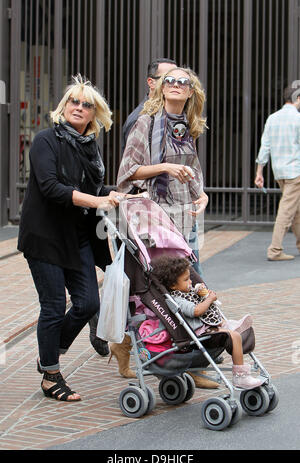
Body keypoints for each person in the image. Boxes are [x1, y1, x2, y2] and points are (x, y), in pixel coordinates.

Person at [17, 74, 127, 402]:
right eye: (73, 102)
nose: (78, 107)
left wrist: (123, 195)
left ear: (95, 114)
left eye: (86, 104)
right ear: (63, 108)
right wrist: (97, 201)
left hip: (77, 237)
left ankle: (49, 352)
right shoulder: (45, 141)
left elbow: (94, 191)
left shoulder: (89, 148)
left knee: (88, 303)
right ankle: (51, 375)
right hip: (45, 236)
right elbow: (51, 187)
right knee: (52, 306)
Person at [112, 67, 212, 387]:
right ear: (161, 88)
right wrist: (166, 166)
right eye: (171, 80)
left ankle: (191, 358)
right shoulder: (147, 123)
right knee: (160, 290)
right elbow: (127, 172)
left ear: (191, 91)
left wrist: (203, 196)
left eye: (184, 82)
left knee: (188, 285)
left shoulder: (186, 126)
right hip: (156, 220)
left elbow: (192, 170)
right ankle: (174, 356)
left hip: (185, 218)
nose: (177, 85)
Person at [151, 255, 262, 390]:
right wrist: (208, 299)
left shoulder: (189, 292)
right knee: (234, 336)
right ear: (173, 285)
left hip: (208, 329)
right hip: (201, 334)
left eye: (190, 278)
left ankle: (230, 326)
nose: (190, 282)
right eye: (186, 280)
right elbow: (196, 311)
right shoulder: (177, 300)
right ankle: (241, 377)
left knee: (233, 331)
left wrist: (204, 294)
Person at [255, 83, 300, 261]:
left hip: (279, 171)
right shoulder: (297, 119)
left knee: (296, 210)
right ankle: (274, 250)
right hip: (296, 171)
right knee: (287, 211)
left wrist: (259, 172)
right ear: (297, 98)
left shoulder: (272, 118)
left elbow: (265, 146)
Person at [121, 58, 177, 155]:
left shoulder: (177, 115)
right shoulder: (139, 119)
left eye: (179, 80)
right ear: (151, 83)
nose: (176, 84)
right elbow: (131, 167)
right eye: (169, 79)